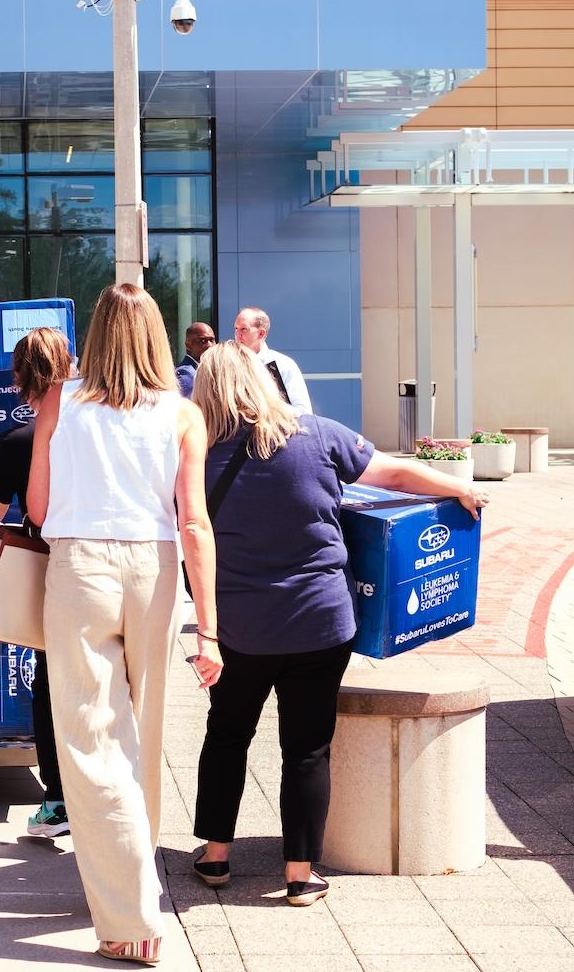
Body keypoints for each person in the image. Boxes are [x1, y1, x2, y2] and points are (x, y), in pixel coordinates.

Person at [188, 342, 488, 906]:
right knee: (306, 748)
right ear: (265, 379)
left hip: (238, 629)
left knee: (227, 735)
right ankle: (300, 874)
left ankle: (216, 858)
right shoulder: (318, 434)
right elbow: (394, 474)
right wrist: (457, 487)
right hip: (320, 622)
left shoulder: (195, 452)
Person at [27, 283, 220, 966]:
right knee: (143, 732)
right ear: (158, 338)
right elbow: (195, 523)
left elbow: (40, 506)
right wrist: (212, 632)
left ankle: (128, 909)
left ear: (98, 334)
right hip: (158, 566)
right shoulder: (182, 413)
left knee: (88, 736)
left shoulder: (61, 401)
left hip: (80, 562)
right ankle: (134, 890)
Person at [0, 326, 74, 839]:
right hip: (116, 561)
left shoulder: (18, 440)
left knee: (51, 683)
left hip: (53, 568)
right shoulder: (100, 425)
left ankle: (59, 801)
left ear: (21, 376)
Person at [233, 307, 312, 415]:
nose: (237, 335)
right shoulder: (230, 365)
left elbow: (304, 412)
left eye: (244, 329)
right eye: (236, 329)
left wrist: (265, 407)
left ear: (261, 334)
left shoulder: (284, 365)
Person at [175, 322, 216, 398]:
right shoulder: (187, 374)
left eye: (212, 340)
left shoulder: (205, 370)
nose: (210, 345)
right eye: (203, 341)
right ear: (188, 345)